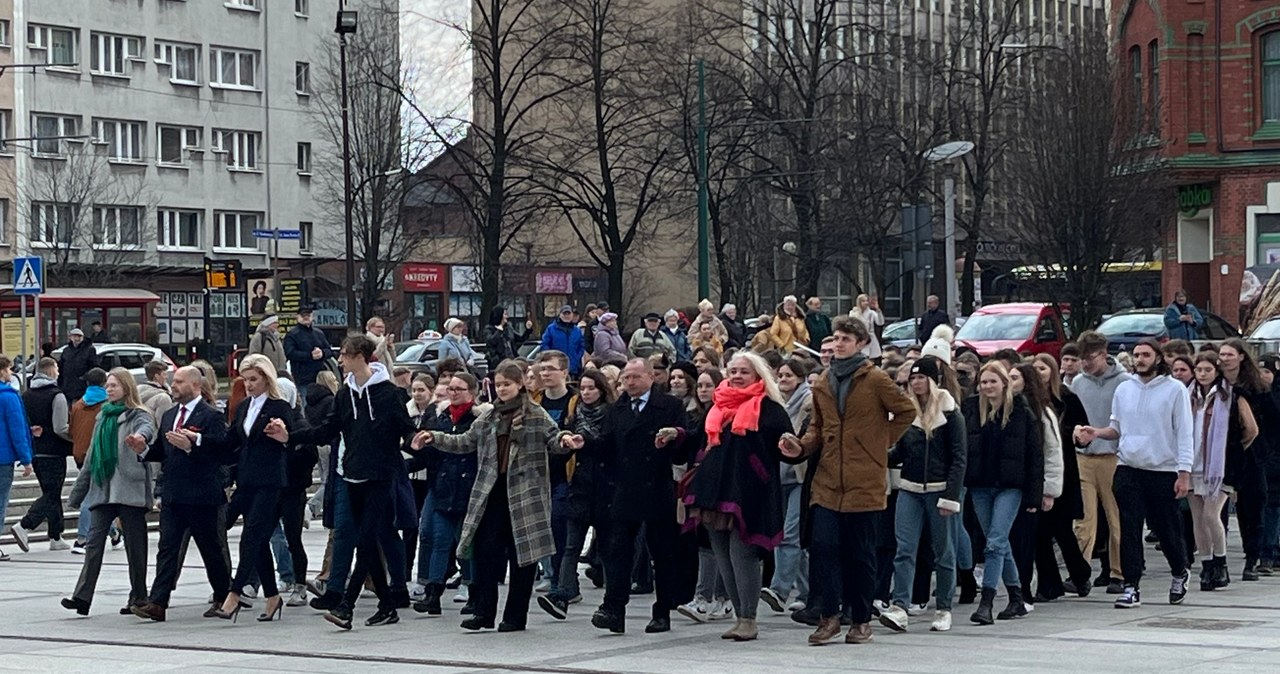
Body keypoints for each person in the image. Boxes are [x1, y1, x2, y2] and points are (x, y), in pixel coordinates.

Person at [779, 316, 915, 645]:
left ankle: (861, 619)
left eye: (845, 339)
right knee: (823, 549)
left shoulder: (876, 378)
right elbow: (817, 427)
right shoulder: (824, 380)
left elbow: (906, 411)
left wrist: (878, 443)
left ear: (860, 343)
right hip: (826, 481)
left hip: (863, 482)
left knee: (861, 554)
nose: (838, 344)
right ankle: (828, 617)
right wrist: (801, 446)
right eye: (836, 338)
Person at [411, 360, 576, 632]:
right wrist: (434, 437)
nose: (502, 389)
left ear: (520, 384)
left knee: (522, 556)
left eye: (507, 384)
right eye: (498, 385)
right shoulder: (489, 417)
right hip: (492, 492)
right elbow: (464, 441)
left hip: (524, 495)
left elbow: (554, 439)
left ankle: (514, 616)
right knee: (486, 552)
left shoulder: (535, 414)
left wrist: (566, 441)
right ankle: (484, 611)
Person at [283, 336, 418, 629]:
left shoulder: (388, 394)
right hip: (352, 474)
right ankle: (387, 604)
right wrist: (290, 437)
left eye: (344, 355)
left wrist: (415, 440)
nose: (340, 360)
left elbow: (405, 429)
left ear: (361, 357)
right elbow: (327, 430)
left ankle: (346, 606)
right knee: (365, 542)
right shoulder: (345, 395)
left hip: (382, 475)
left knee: (367, 538)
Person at [565, 358, 689, 634]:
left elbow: (684, 447)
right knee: (617, 550)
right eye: (625, 378)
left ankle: (662, 612)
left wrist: (675, 437)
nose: (629, 383)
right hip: (623, 489)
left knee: (661, 553)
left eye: (635, 377)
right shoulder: (618, 408)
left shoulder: (670, 405)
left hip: (656, 487)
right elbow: (607, 445)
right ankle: (613, 608)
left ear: (650, 377)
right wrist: (585, 443)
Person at [679, 352, 791, 641]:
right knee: (722, 556)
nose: (738, 376)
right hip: (713, 490)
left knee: (743, 555)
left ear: (758, 376)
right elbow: (698, 439)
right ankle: (739, 614)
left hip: (749, 491)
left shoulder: (769, 409)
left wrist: (793, 446)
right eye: (733, 371)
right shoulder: (718, 405)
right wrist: (676, 435)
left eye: (744, 371)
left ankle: (749, 618)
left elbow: (785, 446)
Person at [1076, 338, 1194, 609]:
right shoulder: (1125, 388)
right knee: (1129, 528)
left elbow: (1185, 433)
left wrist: (1184, 472)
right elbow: (1116, 427)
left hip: (1163, 468)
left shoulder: (1174, 390)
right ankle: (1131, 585)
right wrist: (1096, 432)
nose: (1140, 359)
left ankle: (1179, 570)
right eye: (1137, 355)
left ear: (1157, 358)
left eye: (1145, 355)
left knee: (1166, 529)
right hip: (1128, 467)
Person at [130, 366, 233, 621]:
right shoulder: (170, 415)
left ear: (195, 385)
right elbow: (164, 451)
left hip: (202, 496)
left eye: (179, 381)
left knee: (211, 549)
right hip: (174, 494)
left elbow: (222, 451)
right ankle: (158, 602)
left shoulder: (211, 415)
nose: (173, 385)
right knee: (167, 549)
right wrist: (143, 449)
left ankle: (223, 595)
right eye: (172, 381)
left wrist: (194, 444)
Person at [878, 356, 965, 633]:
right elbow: (901, 453)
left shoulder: (951, 413)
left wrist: (951, 496)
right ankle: (900, 606)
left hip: (940, 490)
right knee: (904, 549)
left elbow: (959, 457)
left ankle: (943, 608)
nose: (915, 383)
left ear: (932, 380)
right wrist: (878, 456)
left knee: (944, 552)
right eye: (911, 378)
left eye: (920, 377)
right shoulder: (907, 413)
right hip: (910, 489)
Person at [208, 355, 298, 623]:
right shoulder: (245, 406)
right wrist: (199, 440)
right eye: (245, 380)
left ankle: (233, 595)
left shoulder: (279, 406)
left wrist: (282, 432)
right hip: (246, 480)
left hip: (270, 481)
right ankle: (272, 596)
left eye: (253, 379)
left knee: (252, 536)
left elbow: (289, 435)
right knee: (256, 541)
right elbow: (231, 440)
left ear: (266, 378)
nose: (248, 385)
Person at [60, 368, 156, 615]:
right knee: (93, 543)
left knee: (136, 548)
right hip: (103, 490)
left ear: (126, 387)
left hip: (130, 489)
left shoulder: (139, 414)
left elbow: (147, 430)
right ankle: (81, 597)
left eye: (114, 385)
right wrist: (78, 493)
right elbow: (92, 456)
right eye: (108, 385)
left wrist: (139, 439)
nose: (109, 389)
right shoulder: (103, 416)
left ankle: (138, 597)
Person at [962, 362, 1043, 625]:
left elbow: (1034, 456)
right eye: (983, 382)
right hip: (980, 485)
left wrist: (1034, 495)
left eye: (992, 381)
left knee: (994, 542)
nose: (987, 387)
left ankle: (986, 601)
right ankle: (1016, 597)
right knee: (999, 542)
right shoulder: (971, 408)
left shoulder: (1021, 411)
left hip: (1010, 486)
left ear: (1004, 383)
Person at [539, 369, 616, 618]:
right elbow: (566, 448)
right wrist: (563, 448)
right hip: (580, 486)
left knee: (608, 548)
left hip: (606, 488)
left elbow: (609, 445)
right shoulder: (575, 416)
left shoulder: (611, 414)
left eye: (591, 388)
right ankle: (563, 594)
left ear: (602, 390)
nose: (586, 393)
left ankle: (612, 599)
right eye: (582, 388)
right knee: (571, 546)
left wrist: (587, 442)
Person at [413, 372, 482, 615]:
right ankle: (433, 593)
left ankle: (473, 592)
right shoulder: (440, 417)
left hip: (468, 489)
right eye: (451, 389)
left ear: (472, 393)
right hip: (442, 486)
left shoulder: (478, 420)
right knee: (439, 540)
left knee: (466, 546)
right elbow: (429, 454)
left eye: (459, 389)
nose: (453, 393)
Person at [1188, 352, 1257, 591]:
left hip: (1220, 466)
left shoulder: (1231, 396)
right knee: (1197, 517)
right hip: (1193, 463)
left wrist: (1233, 450)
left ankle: (1221, 562)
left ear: (1216, 372)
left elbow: (1251, 429)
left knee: (1211, 514)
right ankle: (1206, 565)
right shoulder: (1189, 396)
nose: (1203, 374)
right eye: (1199, 370)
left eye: (1208, 370)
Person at [1069, 330, 1131, 593]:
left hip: (1113, 457)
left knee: (1116, 517)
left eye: (1090, 358)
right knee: (1083, 518)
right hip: (1084, 456)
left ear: (1104, 355)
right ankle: (1080, 572)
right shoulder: (1078, 383)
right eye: (1082, 359)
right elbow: (1071, 416)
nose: (1085, 364)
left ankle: (1119, 572)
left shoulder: (1124, 382)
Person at [1030, 354, 1093, 599]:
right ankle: (1049, 584)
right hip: (1039, 473)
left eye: (1043, 368)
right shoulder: (1029, 400)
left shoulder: (1067, 399)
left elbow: (1082, 433)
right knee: (1041, 532)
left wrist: (1074, 434)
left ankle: (1080, 573)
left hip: (1063, 470)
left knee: (1062, 530)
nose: (1038, 372)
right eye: (1034, 368)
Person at [1217, 339, 1275, 581]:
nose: (1225, 358)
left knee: (1253, 505)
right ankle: (1218, 558)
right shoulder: (1216, 383)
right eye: (1222, 354)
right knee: (1219, 506)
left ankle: (1253, 557)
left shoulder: (1255, 386)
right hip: (1220, 452)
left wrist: (1263, 450)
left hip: (1250, 453)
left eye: (1230, 354)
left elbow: (1270, 420)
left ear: (1241, 357)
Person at [760, 358, 812, 616]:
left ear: (801, 378)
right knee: (792, 539)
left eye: (789, 375)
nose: (782, 379)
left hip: (800, 476)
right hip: (778, 476)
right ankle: (806, 591)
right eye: (780, 375)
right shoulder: (774, 403)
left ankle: (779, 589)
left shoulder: (808, 401)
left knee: (790, 534)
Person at [12, 358, 72, 553]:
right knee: (52, 493)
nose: (59, 372)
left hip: (35, 450)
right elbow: (60, 427)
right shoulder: (57, 395)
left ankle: (56, 535)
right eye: (56, 368)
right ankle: (25, 524)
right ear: (50, 371)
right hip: (54, 451)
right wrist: (75, 437)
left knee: (50, 492)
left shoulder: (26, 395)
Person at [67, 368, 109, 554]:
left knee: (93, 493)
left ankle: (114, 533)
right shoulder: (107, 405)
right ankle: (82, 539)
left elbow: (71, 431)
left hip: (79, 453)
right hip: (99, 454)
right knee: (91, 497)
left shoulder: (77, 405)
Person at [0, 361, 33, 562]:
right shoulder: (8, 396)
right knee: (0, 501)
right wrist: (26, 459)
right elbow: (16, 429)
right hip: (3, 460)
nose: (10, 373)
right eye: (8, 369)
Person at [283, 305, 332, 387]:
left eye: (308, 315)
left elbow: (329, 351)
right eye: (303, 315)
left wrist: (322, 353)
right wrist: (310, 355)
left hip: (320, 378)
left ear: (312, 316)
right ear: (297, 317)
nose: (306, 317)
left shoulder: (319, 333)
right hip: (302, 379)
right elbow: (290, 353)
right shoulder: (292, 335)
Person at [58, 328, 100, 403]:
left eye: (79, 336)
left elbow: (94, 367)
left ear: (83, 338)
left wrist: (84, 377)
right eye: (74, 336)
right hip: (67, 386)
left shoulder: (89, 350)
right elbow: (61, 366)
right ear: (70, 337)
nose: (77, 339)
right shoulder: (66, 350)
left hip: (82, 387)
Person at [848, 295, 884, 359]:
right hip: (858, 338)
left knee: (871, 358)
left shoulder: (871, 313)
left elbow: (880, 323)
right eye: (863, 301)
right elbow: (851, 326)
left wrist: (878, 310)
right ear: (859, 302)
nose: (866, 303)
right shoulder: (853, 313)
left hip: (870, 338)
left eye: (867, 300)